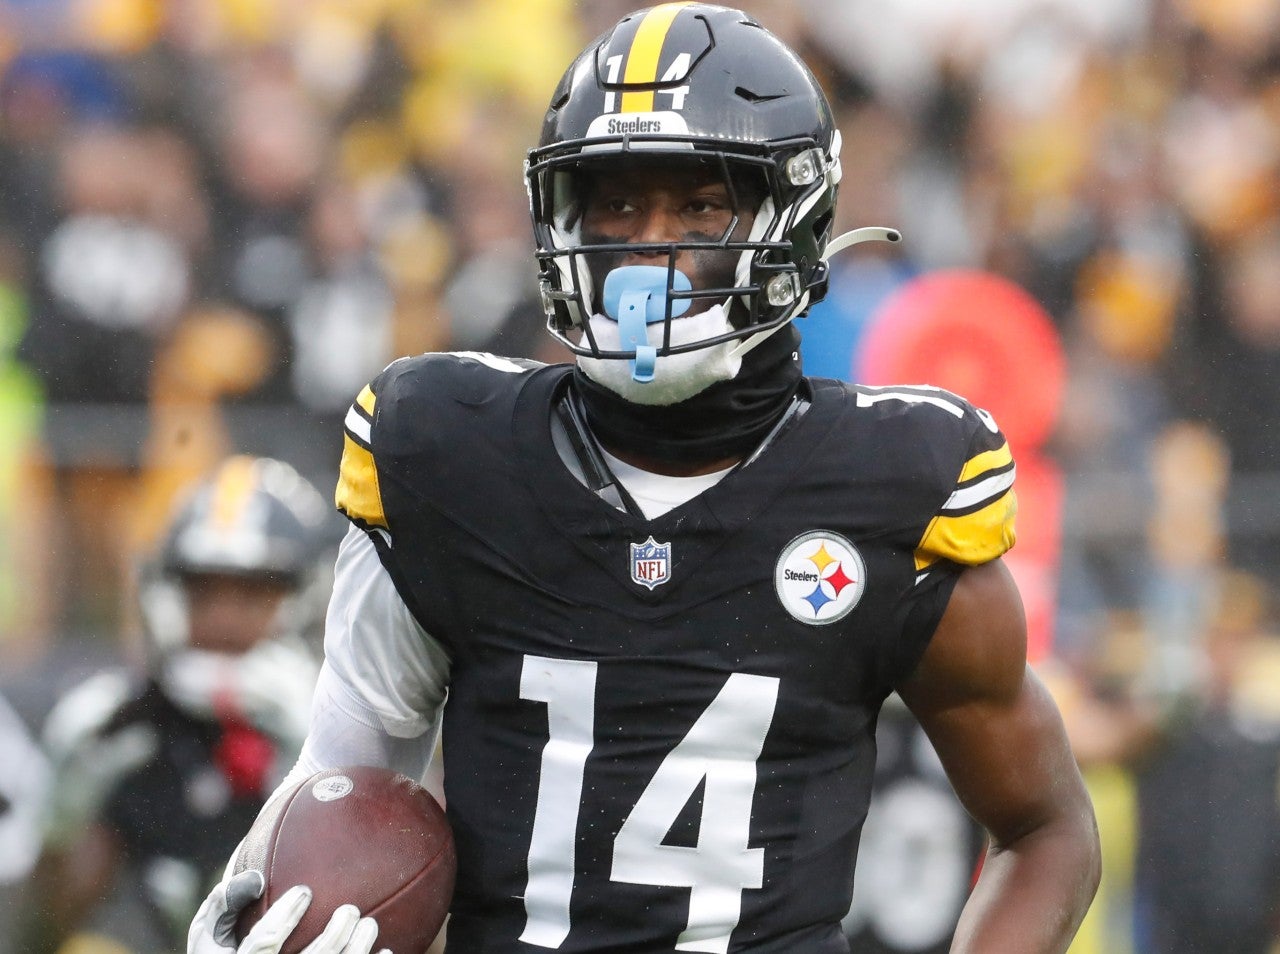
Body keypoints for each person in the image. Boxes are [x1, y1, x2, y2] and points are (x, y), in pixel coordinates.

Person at [189, 5, 1100, 953]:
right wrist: (265, 906)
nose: (648, 251)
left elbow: (1047, 827)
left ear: (794, 222)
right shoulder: (449, 460)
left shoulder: (887, 484)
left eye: (699, 207)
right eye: (617, 206)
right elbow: (343, 792)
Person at [21, 455, 334, 954]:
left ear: (308, 597)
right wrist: (63, 816)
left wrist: (317, 762)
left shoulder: (352, 730)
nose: (223, 618)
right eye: (203, 589)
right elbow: (39, 931)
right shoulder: (124, 727)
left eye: (253, 592)